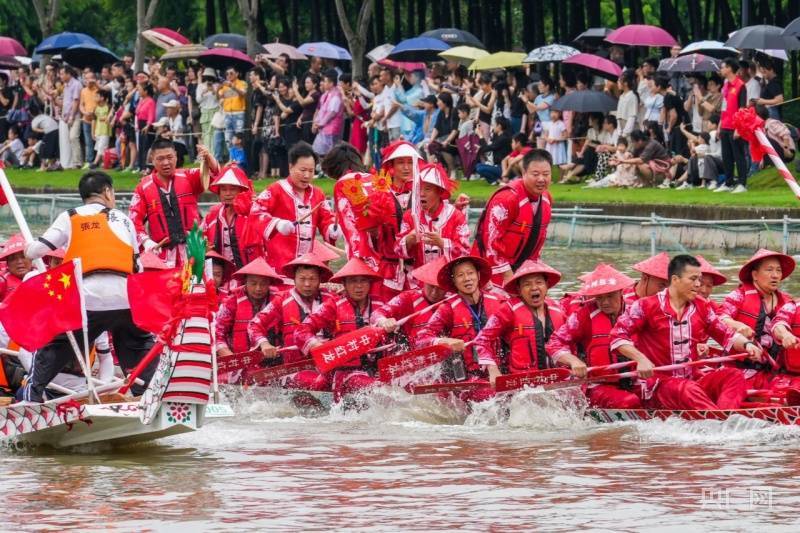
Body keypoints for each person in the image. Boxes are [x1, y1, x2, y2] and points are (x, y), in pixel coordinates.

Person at [19, 171, 157, 402]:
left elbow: (37, 251)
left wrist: (26, 248)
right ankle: (151, 394)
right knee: (139, 343)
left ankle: (31, 399)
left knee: (53, 343)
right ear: (107, 192)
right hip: (126, 299)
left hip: (89, 300)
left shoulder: (70, 216)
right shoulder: (124, 220)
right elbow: (137, 267)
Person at [610, 255, 762, 411]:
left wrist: (747, 344)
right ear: (675, 280)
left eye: (700, 280)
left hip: (691, 383)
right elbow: (617, 336)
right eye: (693, 279)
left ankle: (725, 418)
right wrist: (640, 359)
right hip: (658, 386)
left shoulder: (702, 307)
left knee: (734, 376)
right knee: (686, 388)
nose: (698, 285)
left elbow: (726, 334)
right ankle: (717, 422)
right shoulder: (644, 306)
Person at [546, 263, 642, 409]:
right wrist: (573, 361)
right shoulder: (584, 314)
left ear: (621, 292)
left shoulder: (637, 309)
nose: (605, 302)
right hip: (599, 385)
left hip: (638, 379)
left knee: (658, 394)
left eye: (610, 296)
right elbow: (554, 343)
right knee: (629, 402)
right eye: (599, 297)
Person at [293, 257, 388, 398]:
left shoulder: (381, 304)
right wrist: (316, 345)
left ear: (370, 283)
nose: (359, 286)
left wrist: (388, 322)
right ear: (344, 284)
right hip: (344, 373)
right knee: (379, 390)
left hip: (377, 370)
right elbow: (301, 330)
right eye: (353, 281)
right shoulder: (333, 305)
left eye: (363, 281)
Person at [416, 255, 505, 402]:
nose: (467, 278)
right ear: (454, 281)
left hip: (497, 371)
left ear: (478, 275)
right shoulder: (447, 308)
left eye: (470, 273)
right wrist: (444, 341)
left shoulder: (500, 303)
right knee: (494, 398)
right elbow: (422, 339)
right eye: (460, 275)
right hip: (465, 378)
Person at [248, 253, 336, 389]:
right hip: (294, 368)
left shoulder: (332, 299)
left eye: (312, 279)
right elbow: (254, 324)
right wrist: (264, 344)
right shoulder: (281, 300)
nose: (307, 284)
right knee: (320, 382)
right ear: (294, 279)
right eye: (302, 279)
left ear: (320, 280)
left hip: (329, 362)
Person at [129, 137, 220, 267]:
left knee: (196, 286)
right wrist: (146, 241)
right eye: (160, 159)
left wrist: (210, 159)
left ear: (176, 157)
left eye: (170, 157)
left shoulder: (189, 176)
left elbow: (217, 179)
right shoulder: (143, 187)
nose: (166, 162)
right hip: (161, 255)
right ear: (152, 160)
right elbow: (133, 220)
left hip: (194, 251)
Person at [249, 141, 338, 272]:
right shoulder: (276, 189)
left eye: (311, 171)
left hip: (306, 266)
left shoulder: (318, 194)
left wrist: (331, 229)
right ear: (290, 167)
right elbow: (255, 212)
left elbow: (326, 218)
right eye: (302, 170)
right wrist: (277, 223)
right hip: (278, 264)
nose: (307, 175)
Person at [473, 260, 565, 383]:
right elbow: (481, 340)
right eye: (527, 284)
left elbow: (572, 343)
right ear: (519, 289)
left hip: (557, 380)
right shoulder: (508, 309)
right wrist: (493, 369)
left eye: (539, 282)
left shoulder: (558, 309)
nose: (534, 288)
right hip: (521, 384)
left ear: (547, 285)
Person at [473, 149, 553, 285]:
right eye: (535, 174)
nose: (541, 179)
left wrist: (530, 273)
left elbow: (538, 244)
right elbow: (491, 242)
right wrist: (508, 277)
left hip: (520, 270)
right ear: (523, 173)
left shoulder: (546, 199)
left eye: (546, 174)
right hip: (488, 270)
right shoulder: (506, 199)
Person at [719, 249, 795, 390]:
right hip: (739, 372)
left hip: (773, 374)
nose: (775, 275)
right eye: (769, 270)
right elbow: (720, 319)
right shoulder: (738, 295)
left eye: (778, 271)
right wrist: (736, 324)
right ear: (755, 275)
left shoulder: (787, 302)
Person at [214, 258, 283, 382]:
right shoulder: (231, 301)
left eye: (263, 284)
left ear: (269, 284)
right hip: (236, 362)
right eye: (253, 283)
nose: (258, 288)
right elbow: (217, 335)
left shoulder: (279, 300)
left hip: (272, 363)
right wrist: (233, 361)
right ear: (245, 282)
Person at [395, 163, 470, 270]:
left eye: (427, 189)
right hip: (418, 280)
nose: (421, 194)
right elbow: (397, 250)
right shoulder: (410, 216)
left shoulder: (455, 216)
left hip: (448, 280)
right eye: (418, 189)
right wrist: (408, 240)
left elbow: (465, 253)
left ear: (439, 191)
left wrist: (442, 243)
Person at [371, 257, 449, 349]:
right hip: (413, 353)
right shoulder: (408, 298)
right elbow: (376, 314)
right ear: (424, 282)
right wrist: (384, 321)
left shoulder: (452, 300)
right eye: (431, 286)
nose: (434, 292)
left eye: (440, 288)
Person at [202, 164, 259, 271]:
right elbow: (201, 238)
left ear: (242, 190)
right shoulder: (212, 214)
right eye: (223, 189)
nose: (228, 194)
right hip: (220, 275)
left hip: (248, 273)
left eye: (232, 189)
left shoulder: (254, 212)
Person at [715, 58, 749, 194]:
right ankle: (728, 182)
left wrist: (738, 128)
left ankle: (742, 183)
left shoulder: (741, 85)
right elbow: (724, 108)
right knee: (726, 156)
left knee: (739, 155)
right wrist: (719, 125)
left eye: (723, 67)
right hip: (725, 126)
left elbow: (742, 109)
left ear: (729, 68)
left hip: (736, 127)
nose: (721, 70)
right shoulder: (725, 86)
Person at [312, 69, 344, 156]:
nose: (323, 83)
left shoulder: (336, 96)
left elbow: (332, 113)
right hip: (324, 129)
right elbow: (321, 110)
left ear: (331, 83)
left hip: (332, 130)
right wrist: (316, 122)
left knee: (331, 154)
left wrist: (320, 123)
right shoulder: (326, 94)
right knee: (319, 152)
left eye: (325, 81)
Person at [475, 117, 513, 184]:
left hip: (504, 168)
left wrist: (480, 135)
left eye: (494, 125)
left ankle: (497, 180)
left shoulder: (504, 138)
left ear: (499, 126)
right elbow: (487, 147)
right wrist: (481, 148)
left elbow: (486, 149)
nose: (493, 127)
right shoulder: (498, 136)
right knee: (478, 166)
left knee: (480, 168)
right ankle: (496, 180)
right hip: (497, 165)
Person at [59, 66, 83, 169]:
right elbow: (66, 101)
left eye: (62, 74)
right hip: (66, 115)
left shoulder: (76, 84)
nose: (60, 76)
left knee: (74, 137)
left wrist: (71, 116)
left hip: (75, 115)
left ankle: (78, 162)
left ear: (69, 74)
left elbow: (76, 101)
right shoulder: (66, 85)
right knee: (70, 139)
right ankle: (74, 161)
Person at [218, 68, 247, 153]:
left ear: (237, 74)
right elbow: (219, 97)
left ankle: (239, 160)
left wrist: (232, 86)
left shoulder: (242, 83)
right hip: (227, 113)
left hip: (238, 113)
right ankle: (232, 159)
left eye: (231, 73)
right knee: (228, 138)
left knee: (239, 138)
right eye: (227, 74)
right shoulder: (224, 85)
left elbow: (243, 93)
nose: (229, 75)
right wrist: (218, 88)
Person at [0, 234, 33, 302]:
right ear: (7, 264)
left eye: (23, 256)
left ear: (31, 259)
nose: (19, 262)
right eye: (13, 258)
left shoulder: (43, 275)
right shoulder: (2, 281)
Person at [89, 89, 112, 169]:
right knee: (101, 148)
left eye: (97, 96)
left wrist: (106, 118)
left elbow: (111, 117)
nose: (95, 98)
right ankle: (106, 164)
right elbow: (93, 120)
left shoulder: (109, 107)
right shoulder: (96, 108)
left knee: (101, 147)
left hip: (105, 131)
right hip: (97, 131)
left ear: (102, 98)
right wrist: (92, 132)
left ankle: (95, 163)